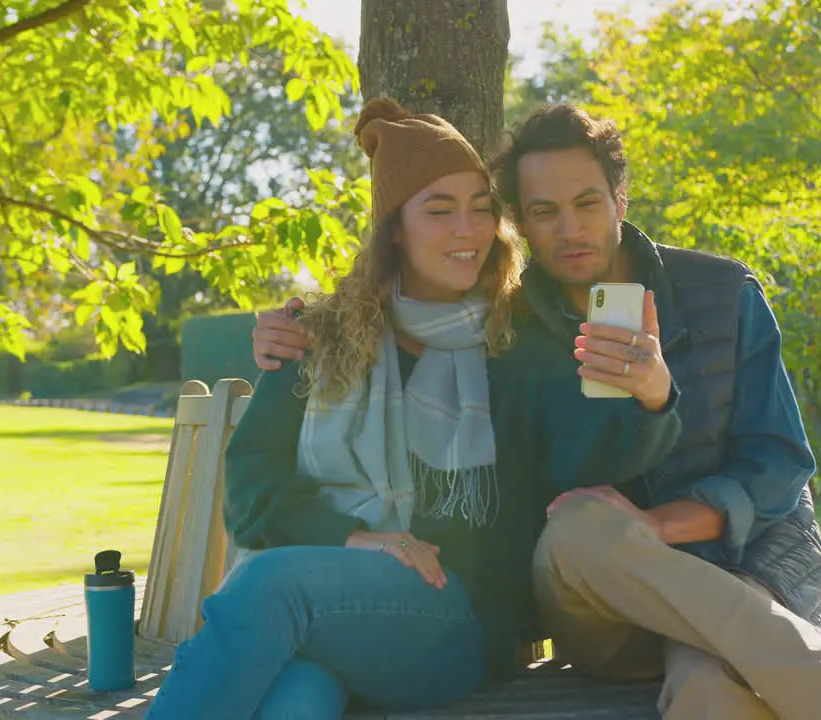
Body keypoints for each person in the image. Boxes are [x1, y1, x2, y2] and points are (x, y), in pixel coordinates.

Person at [252, 104, 821, 720]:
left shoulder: (721, 293)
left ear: (620, 197)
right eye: (543, 212)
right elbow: (403, 330)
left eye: (587, 202)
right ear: (519, 223)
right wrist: (305, 325)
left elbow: (780, 465)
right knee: (582, 527)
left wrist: (654, 506)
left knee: (711, 692)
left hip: (749, 579)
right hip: (598, 602)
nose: (570, 230)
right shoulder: (510, 325)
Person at [145, 98, 683, 720]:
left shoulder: (517, 343)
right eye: (440, 211)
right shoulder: (322, 338)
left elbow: (584, 458)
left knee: (269, 586)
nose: (468, 231)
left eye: (481, 210)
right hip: (335, 610)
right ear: (395, 228)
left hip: (458, 627)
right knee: (299, 697)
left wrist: (652, 396)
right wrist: (357, 540)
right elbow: (251, 487)